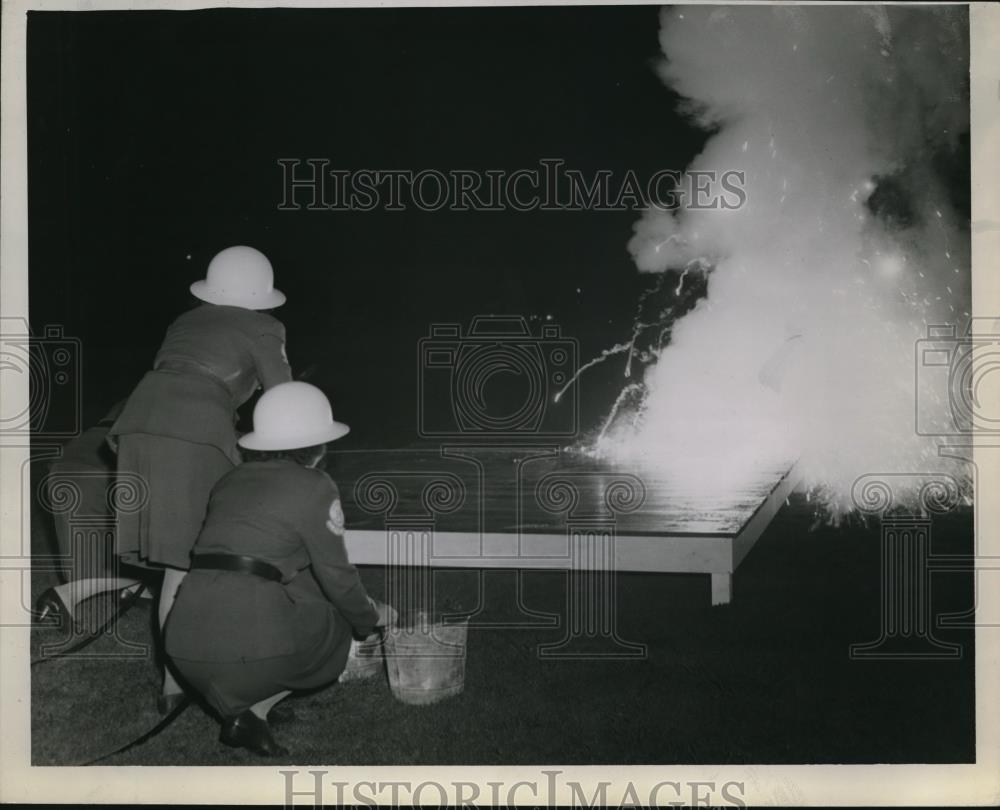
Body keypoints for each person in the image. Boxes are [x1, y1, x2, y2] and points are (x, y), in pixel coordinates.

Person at [165, 382, 396, 757]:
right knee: (338, 621)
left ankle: (247, 713)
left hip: (181, 643)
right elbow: (337, 576)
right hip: (249, 649)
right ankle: (254, 704)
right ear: (319, 446)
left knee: (289, 588)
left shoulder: (229, 481)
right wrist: (369, 618)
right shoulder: (314, 485)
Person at [108, 245, 293, 713]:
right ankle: (242, 682)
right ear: (261, 294)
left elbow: (180, 377)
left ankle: (173, 686)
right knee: (228, 554)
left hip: (139, 427)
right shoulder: (263, 326)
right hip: (196, 436)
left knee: (180, 563)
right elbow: (286, 402)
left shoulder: (186, 321)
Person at [36, 401, 146, 626]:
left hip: (74, 455)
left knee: (85, 566)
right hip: (116, 449)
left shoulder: (143, 389)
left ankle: (127, 590)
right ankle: (70, 593)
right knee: (166, 548)